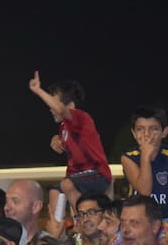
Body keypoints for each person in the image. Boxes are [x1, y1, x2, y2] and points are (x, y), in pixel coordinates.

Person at [28, 72, 112, 209]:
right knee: (55, 192)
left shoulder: (81, 117)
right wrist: (55, 138)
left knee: (67, 185)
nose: (50, 108)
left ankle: (80, 221)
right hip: (78, 177)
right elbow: (69, 138)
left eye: (53, 102)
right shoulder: (64, 127)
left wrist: (38, 91)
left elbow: (60, 109)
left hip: (97, 174)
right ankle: (58, 229)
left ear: (71, 106)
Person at [121, 106, 168, 228]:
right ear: (134, 133)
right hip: (136, 221)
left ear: (164, 132)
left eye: (153, 129)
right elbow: (144, 191)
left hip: (164, 219)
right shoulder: (128, 157)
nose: (147, 134)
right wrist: (145, 157)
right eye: (140, 129)